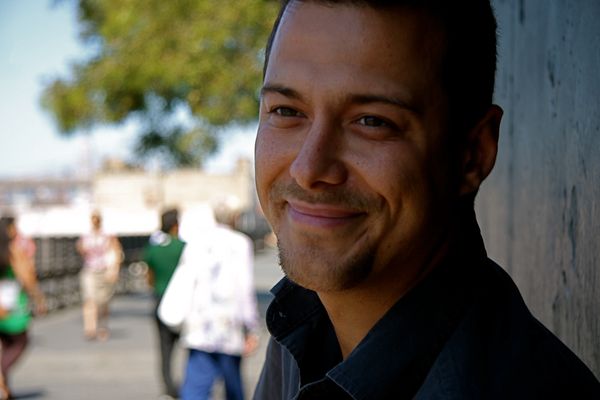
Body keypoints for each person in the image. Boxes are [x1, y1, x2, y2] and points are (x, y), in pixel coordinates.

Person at [252, 1, 600, 399]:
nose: (308, 168)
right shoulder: (302, 326)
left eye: (372, 121)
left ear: (472, 153)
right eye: (286, 110)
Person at [159, 207, 260, 400]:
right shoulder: (241, 243)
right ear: (233, 217)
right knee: (233, 386)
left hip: (201, 323)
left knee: (196, 388)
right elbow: (244, 288)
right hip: (229, 324)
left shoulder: (197, 242)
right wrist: (251, 327)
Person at [0, 216, 46, 399]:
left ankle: (5, 389)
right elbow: (27, 277)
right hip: (11, 307)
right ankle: (1, 375)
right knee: (20, 341)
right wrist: (38, 298)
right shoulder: (13, 250)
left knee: (5, 344)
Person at [143, 208, 186, 399]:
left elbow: (149, 278)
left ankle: (168, 387)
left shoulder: (153, 249)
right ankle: (190, 384)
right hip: (184, 302)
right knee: (190, 344)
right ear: (176, 224)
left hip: (160, 301)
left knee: (164, 348)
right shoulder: (184, 247)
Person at [76, 211, 122, 341]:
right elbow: (80, 249)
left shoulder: (107, 235)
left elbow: (116, 251)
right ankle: (90, 328)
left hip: (104, 269)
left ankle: (102, 326)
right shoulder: (86, 235)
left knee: (103, 301)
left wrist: (114, 269)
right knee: (89, 299)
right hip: (90, 269)